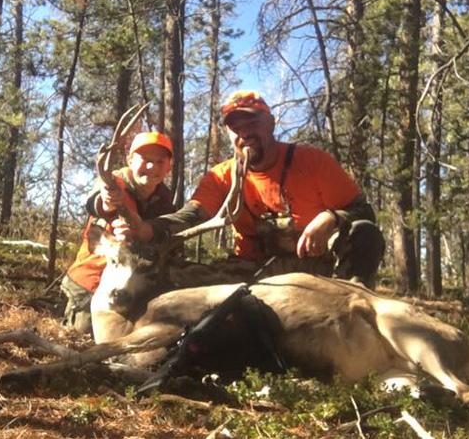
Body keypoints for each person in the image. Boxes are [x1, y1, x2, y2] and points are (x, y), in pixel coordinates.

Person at [121, 90, 385, 285]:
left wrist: (331, 217)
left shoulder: (312, 162)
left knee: (364, 233)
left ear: (270, 123)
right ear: (228, 134)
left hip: (320, 269)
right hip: (255, 270)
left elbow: (363, 211)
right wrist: (147, 229)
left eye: (252, 123)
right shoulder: (221, 176)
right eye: (235, 126)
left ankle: (356, 306)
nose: (244, 132)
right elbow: (191, 216)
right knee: (174, 277)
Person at [61, 131, 175, 333]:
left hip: (138, 281)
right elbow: (99, 202)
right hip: (94, 278)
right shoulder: (116, 183)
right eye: (146, 160)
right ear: (130, 159)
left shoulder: (165, 201)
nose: (152, 167)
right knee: (86, 331)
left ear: (169, 166)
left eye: (160, 162)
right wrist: (106, 200)